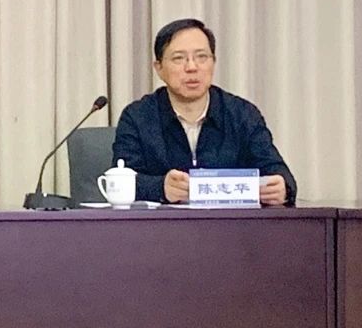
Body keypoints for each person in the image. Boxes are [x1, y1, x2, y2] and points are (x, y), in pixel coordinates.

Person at [113, 18, 296, 205]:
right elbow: (121, 181)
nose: (192, 67)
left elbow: (277, 171)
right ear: (159, 68)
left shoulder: (242, 114)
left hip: (230, 222)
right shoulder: (137, 117)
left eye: (202, 57)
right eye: (178, 58)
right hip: (163, 222)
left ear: (213, 62)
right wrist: (161, 187)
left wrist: (282, 188)